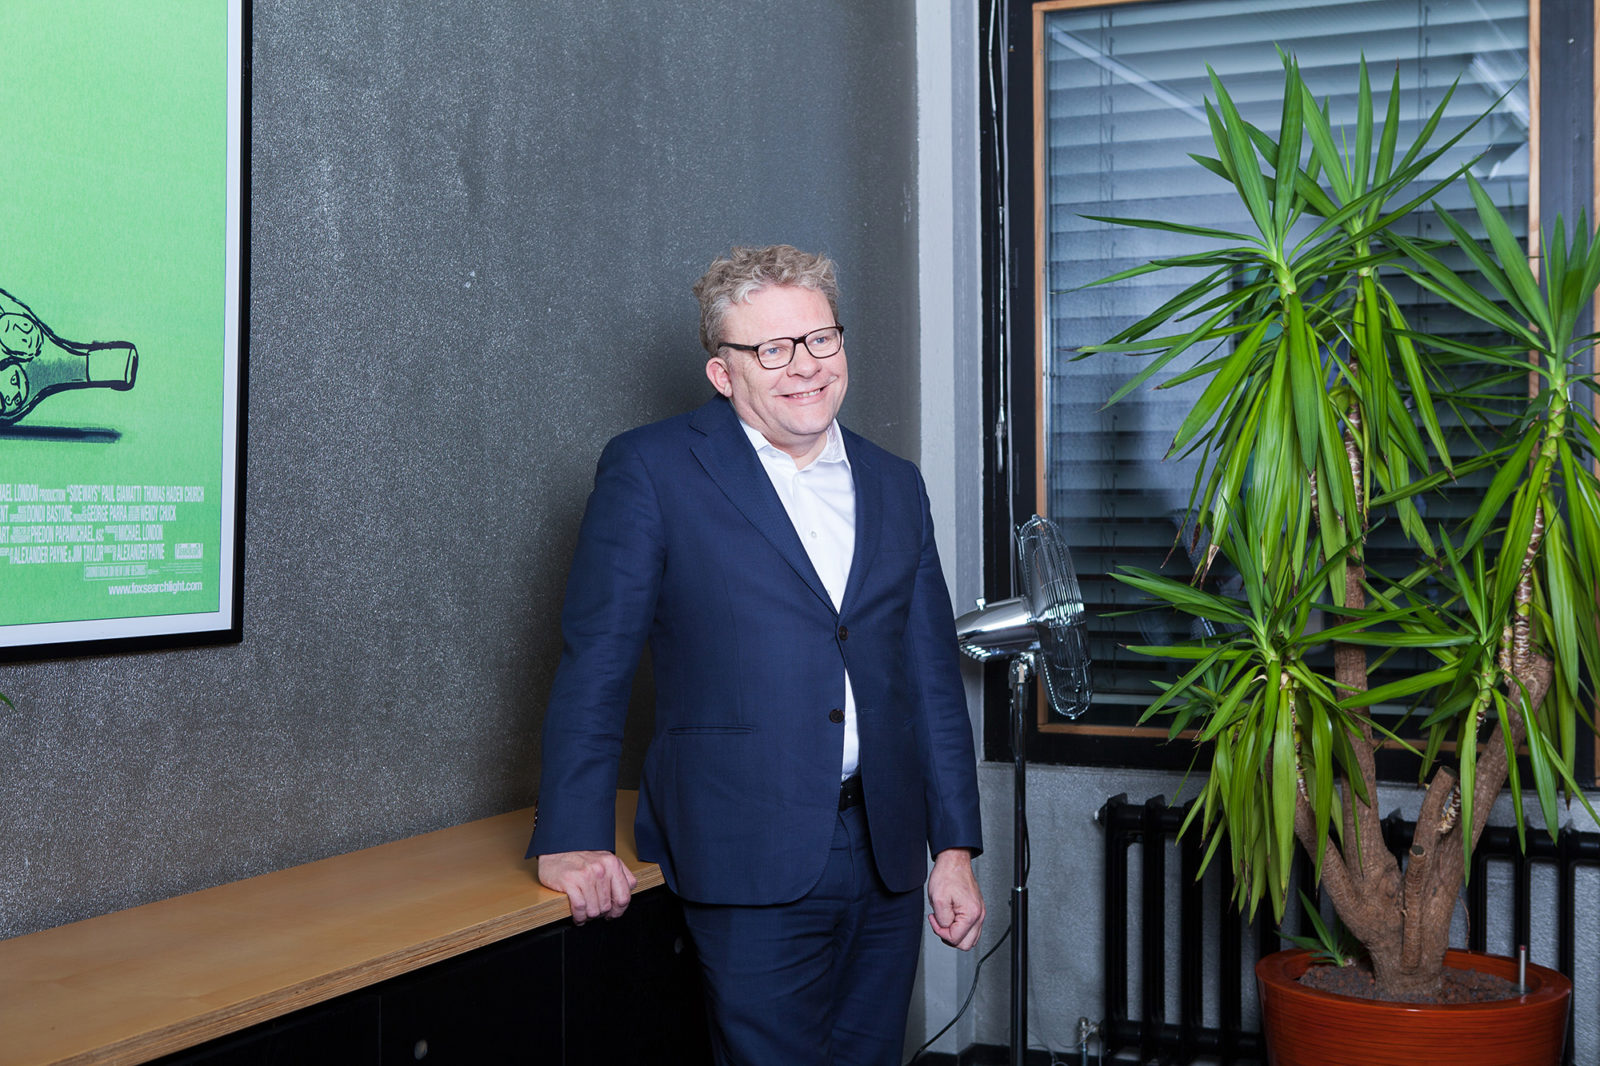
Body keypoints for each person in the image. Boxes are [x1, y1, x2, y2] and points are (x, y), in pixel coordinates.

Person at [528, 244, 984, 1066]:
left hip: (886, 852)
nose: (805, 365)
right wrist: (571, 834)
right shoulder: (652, 470)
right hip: (743, 847)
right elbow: (596, 662)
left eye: (820, 339)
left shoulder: (895, 483)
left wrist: (953, 849)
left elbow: (929, 680)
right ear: (722, 372)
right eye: (772, 349)